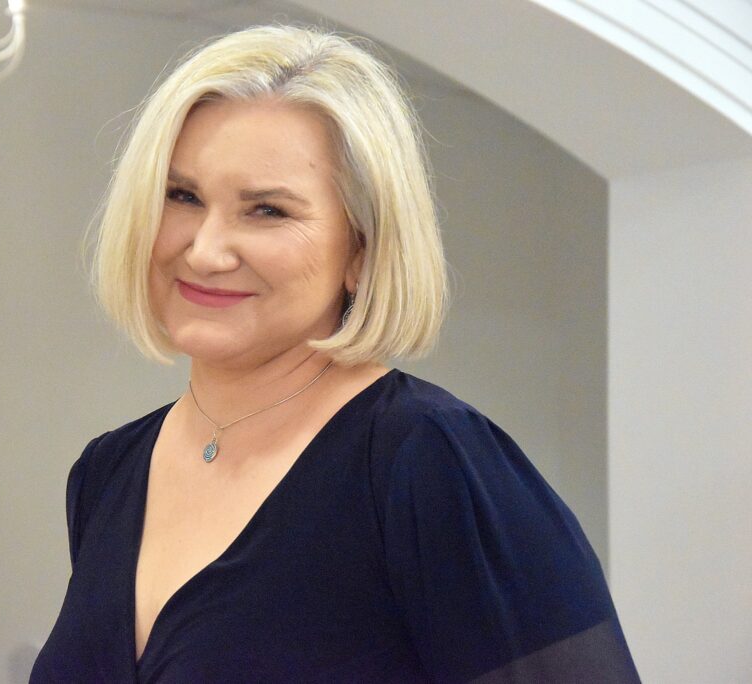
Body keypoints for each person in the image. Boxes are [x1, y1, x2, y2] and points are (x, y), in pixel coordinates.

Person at [31, 24, 641, 683]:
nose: (204, 251)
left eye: (266, 210)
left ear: (361, 251)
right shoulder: (108, 472)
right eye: (183, 196)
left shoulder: (429, 462)